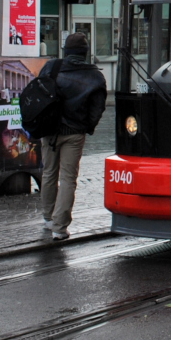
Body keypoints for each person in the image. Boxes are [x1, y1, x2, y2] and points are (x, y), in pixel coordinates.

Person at [37, 32, 107, 241]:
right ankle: (60, 227)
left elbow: (38, 93)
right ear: (85, 53)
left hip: (49, 131)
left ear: (66, 51)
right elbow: (97, 110)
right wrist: (87, 127)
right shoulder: (95, 76)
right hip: (74, 133)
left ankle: (48, 218)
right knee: (68, 178)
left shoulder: (52, 66)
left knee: (49, 172)